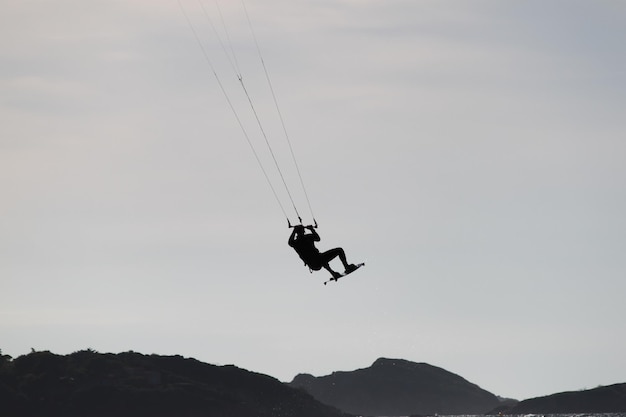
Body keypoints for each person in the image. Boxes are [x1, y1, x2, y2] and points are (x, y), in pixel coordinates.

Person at [288, 225, 357, 278]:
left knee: (321, 257)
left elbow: (318, 238)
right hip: (314, 262)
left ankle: (333, 273)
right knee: (338, 250)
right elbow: (290, 242)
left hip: (315, 263)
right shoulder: (298, 242)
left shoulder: (300, 240)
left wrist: (311, 229)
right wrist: (312, 229)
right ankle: (346, 268)